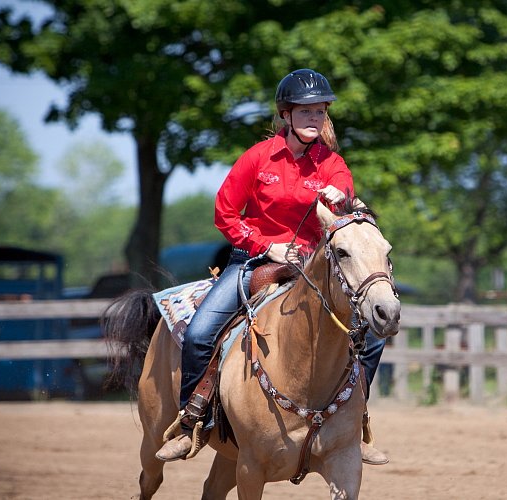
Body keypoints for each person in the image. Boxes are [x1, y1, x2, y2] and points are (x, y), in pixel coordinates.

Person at [156, 68, 389, 465]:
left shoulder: (331, 163)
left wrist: (343, 195)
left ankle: (357, 425)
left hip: (314, 268)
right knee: (199, 334)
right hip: (253, 261)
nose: (314, 118)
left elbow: (349, 203)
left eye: (320, 112)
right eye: (306, 111)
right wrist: (267, 246)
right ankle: (190, 421)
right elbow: (224, 213)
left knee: (373, 333)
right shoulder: (257, 158)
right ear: (286, 115)